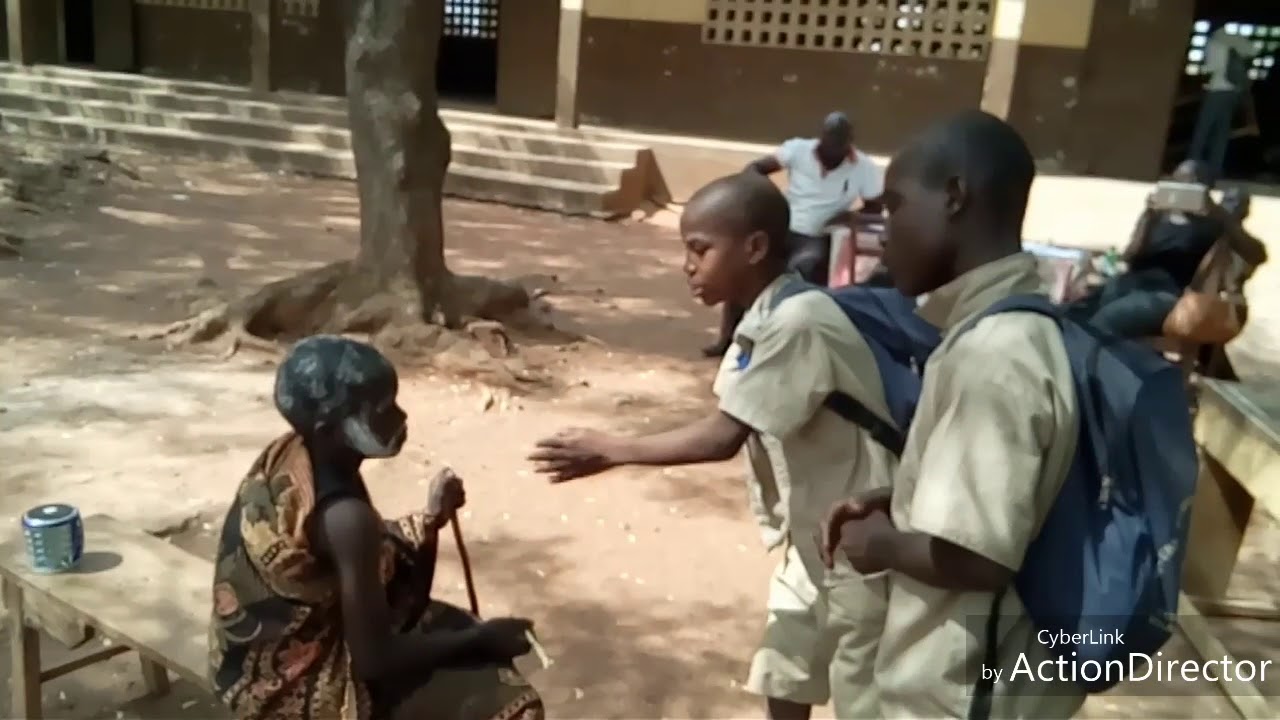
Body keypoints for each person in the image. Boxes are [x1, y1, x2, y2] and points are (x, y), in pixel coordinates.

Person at [530, 172, 895, 720]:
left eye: (700, 249)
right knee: (785, 663)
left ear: (754, 247)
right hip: (816, 534)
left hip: (864, 537)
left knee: (864, 694)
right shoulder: (764, 316)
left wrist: (612, 448)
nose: (687, 265)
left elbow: (725, 434)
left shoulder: (798, 322)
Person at [821, 110, 1083, 718]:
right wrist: (900, 498)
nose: (884, 231)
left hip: (966, 694)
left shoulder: (994, 356)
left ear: (955, 198)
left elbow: (981, 558)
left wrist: (880, 544)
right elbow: (1015, 499)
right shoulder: (1003, 329)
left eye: (895, 207)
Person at [208, 336, 543, 720]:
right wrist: (481, 639)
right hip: (283, 691)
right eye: (382, 411)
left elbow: (351, 558)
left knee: (449, 627)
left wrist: (431, 519)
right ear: (329, 428)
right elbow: (374, 661)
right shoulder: (347, 518)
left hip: (236, 664)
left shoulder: (291, 454)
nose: (401, 417)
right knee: (513, 706)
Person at [702, 111, 884, 357]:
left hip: (817, 236)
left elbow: (875, 206)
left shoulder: (862, 167)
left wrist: (848, 216)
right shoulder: (798, 150)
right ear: (821, 139)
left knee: (802, 272)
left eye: (840, 145)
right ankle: (727, 339)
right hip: (782, 226)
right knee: (743, 268)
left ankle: (778, 344)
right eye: (829, 143)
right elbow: (755, 169)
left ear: (848, 143)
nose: (833, 152)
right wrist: (767, 199)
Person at [1068, 159, 1266, 338]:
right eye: (1177, 180)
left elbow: (1257, 254)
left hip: (1166, 294)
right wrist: (1148, 218)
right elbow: (1129, 256)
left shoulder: (1211, 223)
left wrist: (1219, 215)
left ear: (1205, 189)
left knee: (1106, 321)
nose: (1182, 186)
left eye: (1191, 182)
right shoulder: (1158, 217)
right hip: (1128, 284)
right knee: (1074, 313)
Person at [1190, 23, 1258, 183]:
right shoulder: (1234, 38)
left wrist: (1203, 70)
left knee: (1203, 129)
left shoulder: (1215, 41)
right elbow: (1253, 50)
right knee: (1221, 132)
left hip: (1217, 89)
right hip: (1233, 91)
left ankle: (1191, 166)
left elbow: (1213, 66)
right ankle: (1215, 169)